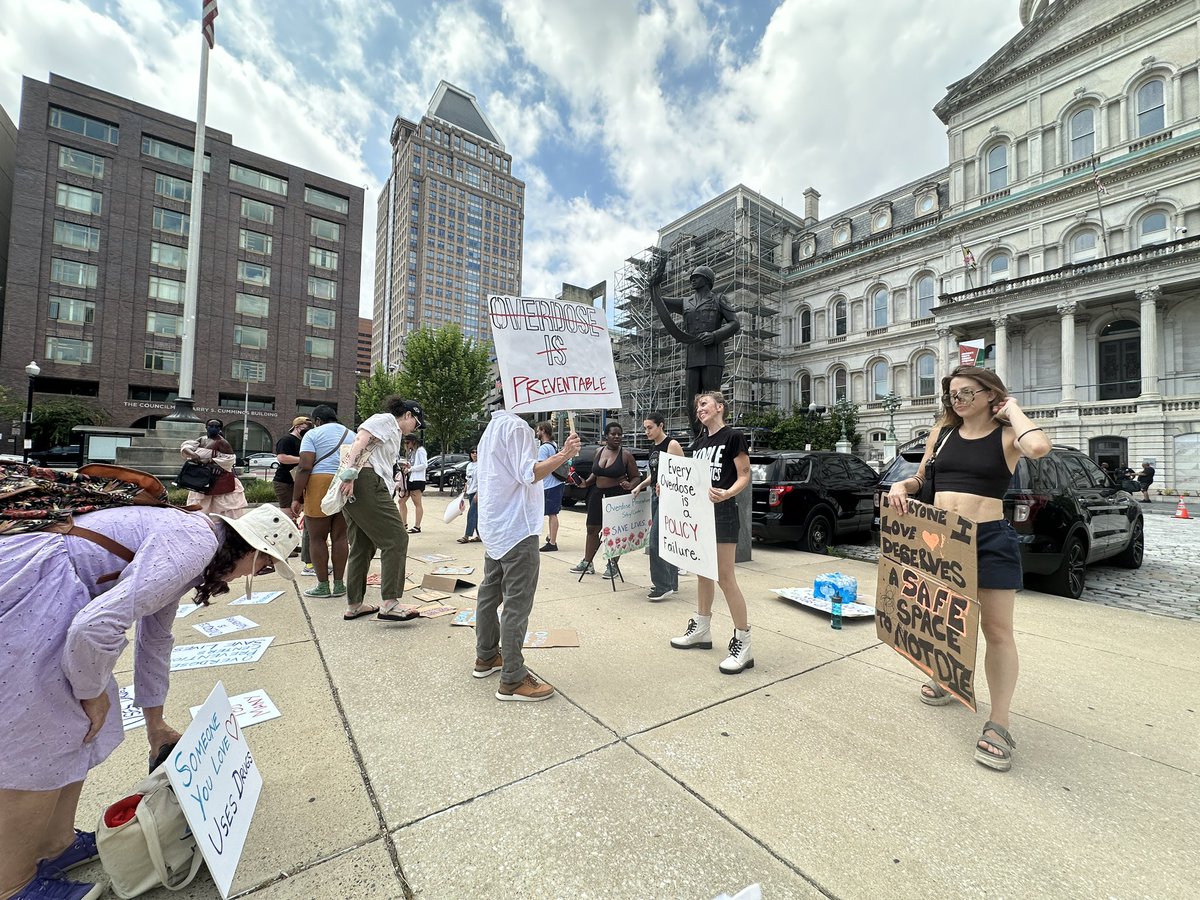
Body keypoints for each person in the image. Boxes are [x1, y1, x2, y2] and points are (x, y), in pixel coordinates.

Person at [0, 504, 300, 900]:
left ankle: (56, 844)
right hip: (36, 593)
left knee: (82, 728)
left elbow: (155, 639)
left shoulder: (196, 544)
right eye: (261, 569)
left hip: (57, 598)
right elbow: (95, 626)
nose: (252, 576)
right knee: (44, 735)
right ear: (253, 551)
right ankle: (13, 883)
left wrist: (155, 725)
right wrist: (90, 695)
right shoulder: (194, 544)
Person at [886, 364, 1051, 772]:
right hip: (942, 539)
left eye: (965, 393)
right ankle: (947, 679)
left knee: (996, 630)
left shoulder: (1008, 434)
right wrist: (900, 486)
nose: (957, 401)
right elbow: (923, 480)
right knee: (945, 619)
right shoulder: (942, 435)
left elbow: (1039, 448)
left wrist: (1012, 410)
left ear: (988, 393)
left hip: (989, 538)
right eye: (952, 395)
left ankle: (999, 722)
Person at [473, 403, 580, 701]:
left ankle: (486, 657)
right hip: (517, 527)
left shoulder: (492, 427)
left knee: (489, 594)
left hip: (495, 526)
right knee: (517, 604)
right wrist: (564, 455)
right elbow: (529, 474)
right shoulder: (517, 427)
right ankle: (513, 678)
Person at [669, 392, 755, 674]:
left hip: (724, 512)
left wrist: (727, 493)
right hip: (701, 514)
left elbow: (744, 474)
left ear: (720, 407)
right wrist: (669, 486)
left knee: (725, 577)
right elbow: (693, 479)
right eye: (697, 406)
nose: (699, 409)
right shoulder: (700, 442)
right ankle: (702, 629)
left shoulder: (733, 437)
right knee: (703, 573)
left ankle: (743, 643)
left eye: (704, 404)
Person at [334, 396, 426, 622]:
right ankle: (391, 603)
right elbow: (360, 441)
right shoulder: (386, 420)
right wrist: (350, 474)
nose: (415, 428)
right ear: (408, 415)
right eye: (417, 423)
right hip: (365, 481)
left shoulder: (392, 434)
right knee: (396, 538)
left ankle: (355, 605)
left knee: (362, 545)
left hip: (362, 481)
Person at [648, 260, 741, 434]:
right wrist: (654, 284)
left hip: (712, 354)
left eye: (696, 277)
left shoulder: (718, 299)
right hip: (693, 355)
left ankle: (713, 434)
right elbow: (658, 300)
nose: (692, 280)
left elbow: (735, 323)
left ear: (706, 280)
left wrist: (715, 335)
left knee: (711, 398)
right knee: (692, 400)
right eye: (692, 277)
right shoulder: (685, 302)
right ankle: (697, 436)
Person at [290, 405, 354, 599]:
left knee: (317, 538)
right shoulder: (352, 434)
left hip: (319, 483)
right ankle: (339, 584)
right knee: (340, 538)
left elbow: (304, 466)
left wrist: (296, 497)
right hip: (344, 483)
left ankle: (323, 586)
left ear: (317, 420)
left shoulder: (312, 435)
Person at [568, 423, 639, 578]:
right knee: (592, 529)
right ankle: (587, 563)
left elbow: (636, 477)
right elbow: (596, 474)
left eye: (619, 434)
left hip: (617, 496)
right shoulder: (598, 451)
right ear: (606, 436)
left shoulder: (625, 455)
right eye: (613, 434)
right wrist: (585, 482)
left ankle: (612, 565)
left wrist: (630, 485)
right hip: (597, 494)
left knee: (614, 531)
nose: (617, 437)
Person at [630, 411, 684, 600]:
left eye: (650, 427)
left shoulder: (672, 445)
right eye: (645, 428)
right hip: (656, 495)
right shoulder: (654, 447)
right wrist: (641, 485)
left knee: (656, 542)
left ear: (661, 425)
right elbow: (656, 473)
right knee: (665, 540)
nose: (647, 431)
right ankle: (671, 583)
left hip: (670, 498)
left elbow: (682, 473)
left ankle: (662, 585)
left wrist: (666, 483)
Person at [179, 419, 246, 517]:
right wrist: (193, 455)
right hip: (202, 479)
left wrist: (209, 461)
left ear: (220, 429)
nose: (213, 428)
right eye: (211, 426)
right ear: (206, 427)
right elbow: (186, 446)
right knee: (200, 509)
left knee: (221, 511)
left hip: (219, 479)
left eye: (216, 427)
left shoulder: (223, 443)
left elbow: (230, 460)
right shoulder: (202, 439)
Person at [536, 421, 567, 552]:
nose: (537, 433)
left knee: (552, 513)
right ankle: (550, 536)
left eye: (538, 430)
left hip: (549, 484)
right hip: (557, 483)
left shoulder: (544, 448)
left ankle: (552, 543)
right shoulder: (553, 445)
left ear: (543, 431)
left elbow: (542, 468)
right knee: (551, 513)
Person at [397, 434, 428, 533]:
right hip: (410, 479)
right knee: (401, 501)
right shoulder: (411, 452)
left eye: (407, 442)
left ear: (413, 442)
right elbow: (414, 463)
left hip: (417, 480)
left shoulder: (420, 450)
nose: (406, 445)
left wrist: (411, 469)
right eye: (405, 443)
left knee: (417, 503)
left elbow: (424, 465)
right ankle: (403, 523)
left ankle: (417, 526)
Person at [457, 447, 481, 544]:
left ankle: (467, 535)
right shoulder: (469, 465)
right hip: (471, 492)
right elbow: (468, 479)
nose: (475, 454)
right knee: (477, 515)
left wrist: (478, 493)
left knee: (471, 513)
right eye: (473, 452)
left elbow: (483, 480)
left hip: (478, 493)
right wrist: (465, 488)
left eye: (477, 452)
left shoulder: (482, 465)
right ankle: (480, 535)